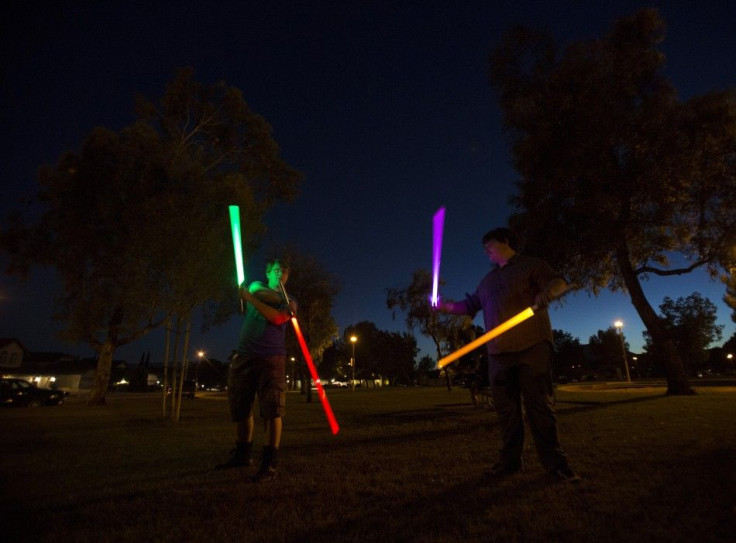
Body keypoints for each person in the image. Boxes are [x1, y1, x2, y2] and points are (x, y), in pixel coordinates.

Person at [435, 227, 580, 483]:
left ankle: (556, 466)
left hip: (532, 346)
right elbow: (469, 306)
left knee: (540, 408)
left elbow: (558, 282)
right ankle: (510, 463)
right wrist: (445, 306)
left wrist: (548, 293)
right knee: (507, 412)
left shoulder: (532, 265)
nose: (486, 250)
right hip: (498, 353)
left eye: (489, 244)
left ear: (505, 241)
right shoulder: (487, 281)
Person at [216, 257, 296, 483]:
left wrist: (252, 299)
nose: (281, 273)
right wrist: (271, 299)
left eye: (285, 271)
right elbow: (257, 291)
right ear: (268, 271)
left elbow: (278, 318)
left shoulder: (291, 300)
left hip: (272, 358)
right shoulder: (256, 287)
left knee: (272, 409)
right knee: (241, 407)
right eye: (277, 269)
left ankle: (269, 464)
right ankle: (243, 455)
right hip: (244, 355)